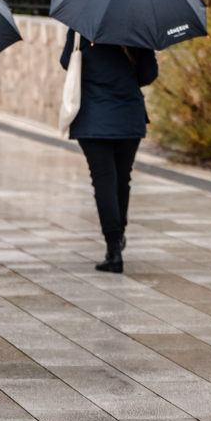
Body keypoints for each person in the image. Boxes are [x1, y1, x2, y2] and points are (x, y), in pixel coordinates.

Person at [61, 30, 157, 273]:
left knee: (104, 180)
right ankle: (119, 232)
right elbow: (148, 74)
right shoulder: (137, 29)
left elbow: (67, 62)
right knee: (122, 179)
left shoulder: (81, 28)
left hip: (92, 118)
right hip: (128, 116)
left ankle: (113, 248)